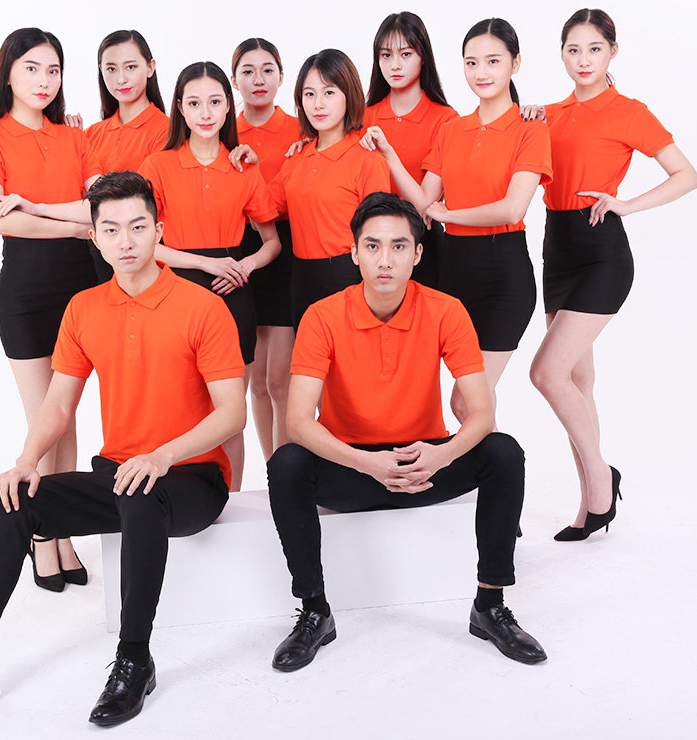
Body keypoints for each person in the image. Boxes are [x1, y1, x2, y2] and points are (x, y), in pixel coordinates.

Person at [0, 171, 247, 733]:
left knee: (141, 494)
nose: (126, 241)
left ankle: (134, 661)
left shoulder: (201, 307)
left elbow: (232, 412)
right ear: (94, 236)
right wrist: (25, 462)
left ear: (159, 231)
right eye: (110, 229)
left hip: (190, 478)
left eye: (138, 226)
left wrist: (162, 457)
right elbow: (59, 404)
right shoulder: (84, 308)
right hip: (119, 472)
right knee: (16, 501)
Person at [267, 192, 546, 672]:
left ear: (417, 253)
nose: (385, 260)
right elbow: (297, 420)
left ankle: (490, 604)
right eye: (372, 246)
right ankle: (315, 610)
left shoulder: (445, 310)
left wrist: (440, 456)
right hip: (352, 466)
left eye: (398, 246)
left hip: (424, 464)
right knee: (286, 463)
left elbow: (481, 412)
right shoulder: (322, 316)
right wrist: (366, 463)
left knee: (504, 452)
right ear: (354, 252)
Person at [523, 9, 697, 540]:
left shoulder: (629, 111)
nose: (583, 60)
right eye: (573, 50)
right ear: (561, 53)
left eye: (594, 49)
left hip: (602, 251)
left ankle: (601, 477)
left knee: (546, 373)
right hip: (557, 247)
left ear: (612, 52)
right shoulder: (547, 114)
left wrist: (627, 204)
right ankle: (592, 504)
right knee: (577, 382)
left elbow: (686, 174)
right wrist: (524, 117)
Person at [0, 27, 102, 592]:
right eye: (32, 68)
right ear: (8, 72)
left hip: (82, 289)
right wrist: (72, 223)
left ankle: (60, 529)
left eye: (54, 70)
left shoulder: (75, 136)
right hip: (25, 290)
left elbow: (98, 207)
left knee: (67, 415)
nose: (45, 81)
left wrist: (51, 213)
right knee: (43, 418)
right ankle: (43, 535)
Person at [362, 18, 552, 424]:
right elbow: (423, 201)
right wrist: (388, 154)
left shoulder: (530, 129)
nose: (481, 72)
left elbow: (513, 208)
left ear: (515, 64)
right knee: (472, 402)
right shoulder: (453, 129)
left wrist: (449, 215)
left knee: (468, 402)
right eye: (471, 63)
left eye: (493, 61)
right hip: (455, 274)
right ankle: (489, 465)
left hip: (504, 275)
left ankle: (497, 466)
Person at [138, 61, 280, 491]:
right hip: (175, 293)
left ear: (228, 106)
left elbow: (271, 242)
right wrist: (205, 263)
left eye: (215, 102)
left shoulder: (243, 167)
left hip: (231, 293)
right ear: (180, 107)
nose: (205, 113)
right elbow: (146, 243)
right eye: (195, 103)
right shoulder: (158, 165)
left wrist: (243, 266)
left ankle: (230, 501)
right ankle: (177, 495)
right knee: (177, 407)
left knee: (229, 412)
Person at [268, 48, 391, 329]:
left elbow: (379, 235)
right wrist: (245, 162)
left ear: (349, 94)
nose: (318, 104)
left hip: (350, 276)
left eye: (329, 92)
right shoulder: (296, 157)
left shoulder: (368, 160)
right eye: (309, 94)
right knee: (307, 356)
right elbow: (261, 209)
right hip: (301, 277)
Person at [230, 38, 299, 458]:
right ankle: (273, 469)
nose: (259, 79)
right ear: (234, 78)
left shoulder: (300, 128)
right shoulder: (223, 128)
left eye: (268, 69)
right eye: (248, 71)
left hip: (287, 248)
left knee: (280, 380)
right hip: (239, 250)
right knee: (255, 382)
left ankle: (288, 472)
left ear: (281, 76)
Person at [362, 11, 458, 288]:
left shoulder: (446, 120)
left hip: (423, 245)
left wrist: (387, 153)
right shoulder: (364, 118)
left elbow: (426, 206)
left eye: (405, 54)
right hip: (371, 244)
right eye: (386, 55)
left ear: (423, 56)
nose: (395, 65)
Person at [72, 29, 169, 283]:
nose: (121, 79)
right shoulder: (91, 134)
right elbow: (73, 195)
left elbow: (143, 204)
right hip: (88, 258)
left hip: (137, 259)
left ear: (150, 68)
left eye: (131, 67)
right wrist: (67, 144)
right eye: (111, 69)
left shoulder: (167, 131)